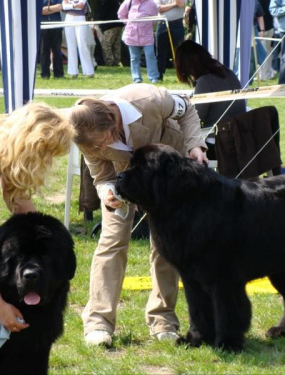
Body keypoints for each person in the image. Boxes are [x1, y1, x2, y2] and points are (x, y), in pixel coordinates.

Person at [68, 84, 208, 347]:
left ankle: (163, 320)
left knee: (165, 244)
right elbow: (101, 176)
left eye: (105, 139)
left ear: (112, 117)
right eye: (96, 145)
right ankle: (99, 323)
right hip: (124, 181)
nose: (103, 147)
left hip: (166, 174)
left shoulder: (151, 99)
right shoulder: (82, 130)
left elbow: (187, 108)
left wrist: (195, 144)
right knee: (111, 241)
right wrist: (108, 192)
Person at [0, 103, 75, 336]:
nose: (47, 162)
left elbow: (25, 212)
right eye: (46, 153)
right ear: (30, 148)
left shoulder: (1, 143)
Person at [174, 40, 247, 160]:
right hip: (239, 136)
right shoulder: (228, 72)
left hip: (219, 141)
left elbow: (196, 117)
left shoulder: (205, 81)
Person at [118, 0, 160, 83]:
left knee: (150, 56)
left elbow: (154, 18)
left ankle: (153, 77)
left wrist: (147, 26)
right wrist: (129, 24)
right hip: (132, 35)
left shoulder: (151, 4)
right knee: (134, 58)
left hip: (147, 35)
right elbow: (121, 15)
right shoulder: (128, 2)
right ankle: (136, 78)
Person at [154, 0, 186, 81]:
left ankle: (182, 75)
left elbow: (181, 4)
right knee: (160, 52)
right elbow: (159, 9)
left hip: (177, 24)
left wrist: (170, 5)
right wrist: (174, 4)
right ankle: (159, 75)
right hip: (162, 24)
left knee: (179, 52)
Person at [62, 0, 95, 78]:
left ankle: (89, 71)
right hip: (68, 18)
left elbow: (81, 6)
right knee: (71, 46)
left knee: (82, 44)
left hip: (80, 18)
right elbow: (64, 6)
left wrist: (70, 4)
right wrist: (74, 5)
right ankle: (73, 71)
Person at [39, 0, 65, 79]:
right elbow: (40, 11)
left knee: (57, 51)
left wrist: (47, 9)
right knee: (44, 51)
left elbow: (60, 7)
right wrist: (53, 9)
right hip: (43, 26)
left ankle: (59, 74)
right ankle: (45, 74)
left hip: (56, 26)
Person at [96, 0, 124, 67]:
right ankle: (117, 61)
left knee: (106, 44)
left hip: (110, 26)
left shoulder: (105, 2)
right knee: (116, 45)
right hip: (118, 24)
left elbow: (102, 13)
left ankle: (109, 62)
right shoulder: (116, 2)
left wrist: (97, 20)